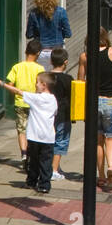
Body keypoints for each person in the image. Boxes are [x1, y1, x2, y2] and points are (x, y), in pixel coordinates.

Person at [0, 71, 57, 194]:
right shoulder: (53, 100)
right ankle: (44, 184)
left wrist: (2, 84)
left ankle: (31, 181)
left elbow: (18, 91)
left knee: (33, 160)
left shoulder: (35, 98)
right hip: (48, 137)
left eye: (37, 82)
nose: (35, 85)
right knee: (46, 162)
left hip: (34, 136)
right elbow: (54, 114)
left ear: (43, 85)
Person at [78, 28, 112, 191]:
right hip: (111, 101)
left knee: (98, 141)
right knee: (110, 138)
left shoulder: (85, 57)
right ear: (106, 38)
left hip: (94, 102)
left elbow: (81, 80)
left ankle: (101, 176)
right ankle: (111, 167)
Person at [6, 38, 44, 161]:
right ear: (38, 53)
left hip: (20, 102)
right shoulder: (40, 69)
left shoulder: (17, 67)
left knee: (21, 129)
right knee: (34, 129)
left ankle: (24, 153)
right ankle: (33, 153)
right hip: (35, 103)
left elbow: (10, 85)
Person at [25, 0, 72, 72]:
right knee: (55, 79)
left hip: (40, 52)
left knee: (41, 79)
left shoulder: (34, 13)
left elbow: (29, 35)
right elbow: (68, 34)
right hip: (57, 52)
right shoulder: (61, 12)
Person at [48, 48, 73, 181]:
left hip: (47, 115)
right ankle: (54, 170)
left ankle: (51, 166)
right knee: (60, 141)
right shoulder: (68, 79)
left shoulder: (45, 77)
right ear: (66, 62)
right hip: (63, 115)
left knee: (49, 141)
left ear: (51, 61)